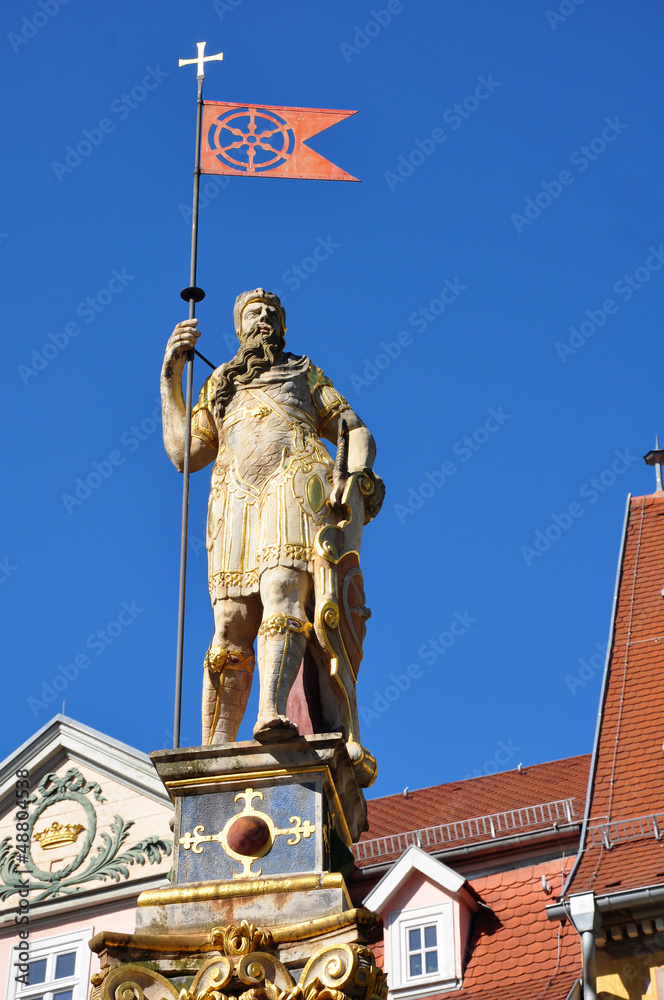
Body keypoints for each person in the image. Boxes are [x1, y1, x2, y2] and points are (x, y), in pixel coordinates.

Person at [161, 289, 382, 782]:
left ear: (281, 326)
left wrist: (355, 475)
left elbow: (354, 429)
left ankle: (270, 712)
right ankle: (215, 748)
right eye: (252, 314)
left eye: (271, 314)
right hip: (237, 494)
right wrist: (170, 376)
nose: (262, 319)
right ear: (239, 329)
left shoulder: (303, 372)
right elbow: (185, 454)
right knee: (230, 621)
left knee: (283, 591)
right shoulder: (219, 383)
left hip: (292, 483)